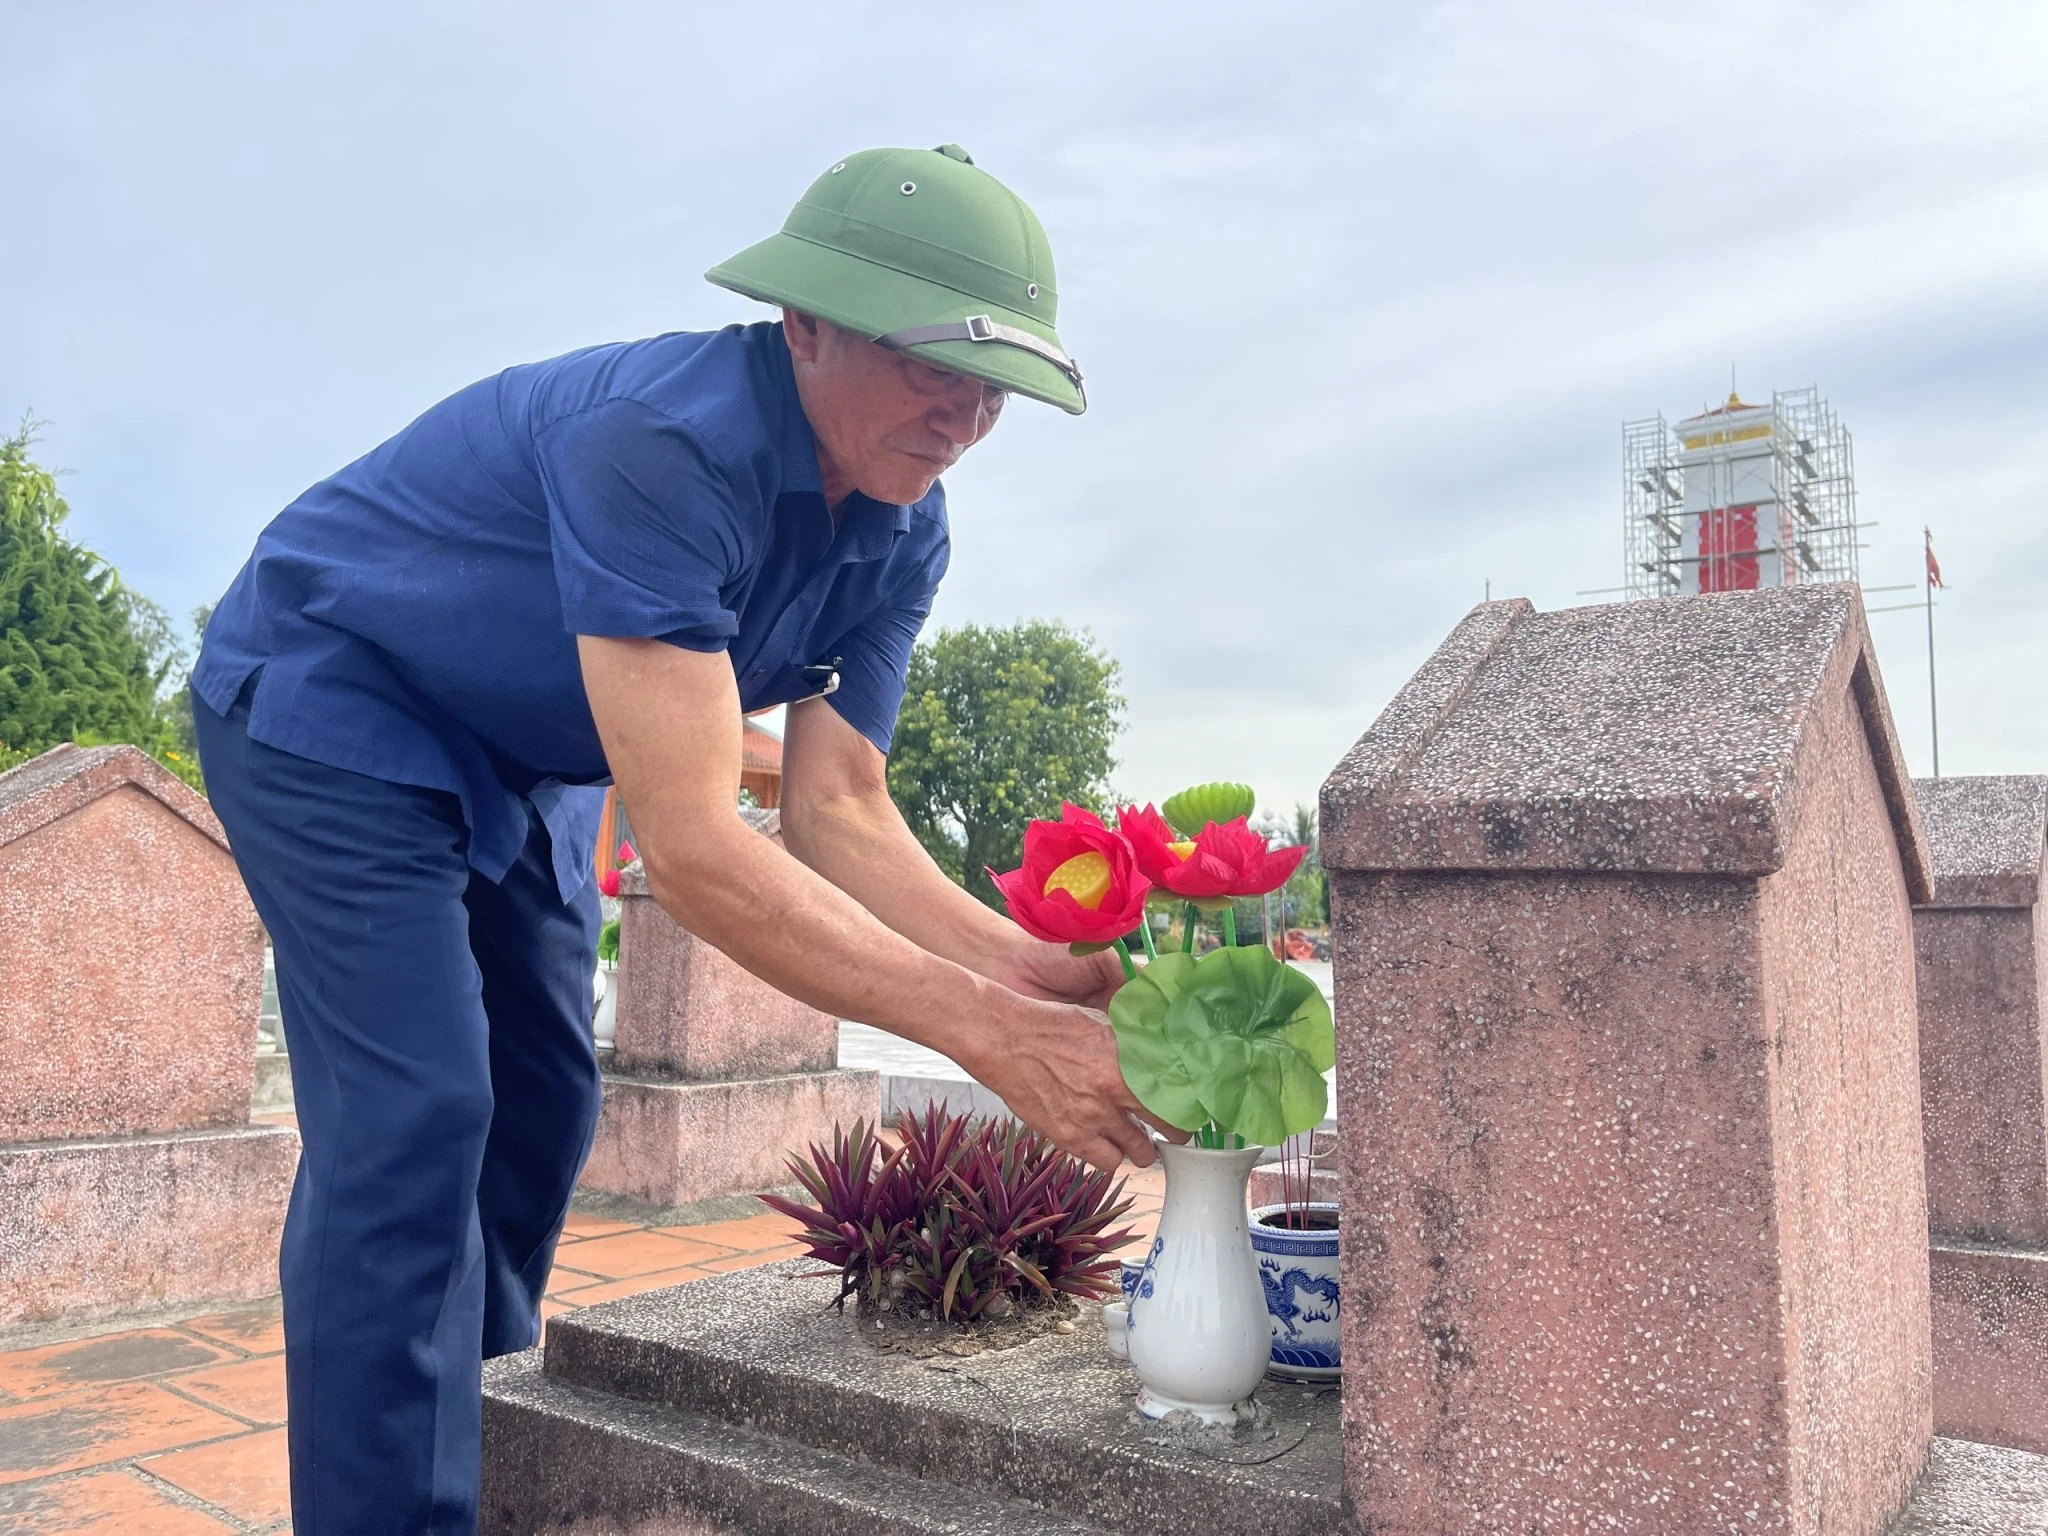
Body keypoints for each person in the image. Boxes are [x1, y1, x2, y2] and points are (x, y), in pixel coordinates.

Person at [190, 144, 1165, 1536]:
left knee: (540, 1105)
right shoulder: (662, 440)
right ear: (805, 323)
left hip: (524, 753)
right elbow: (700, 844)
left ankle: (476, 1452)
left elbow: (838, 807)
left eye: (995, 382)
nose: (963, 413)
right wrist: (981, 1034)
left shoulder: (904, 528)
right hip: (330, 701)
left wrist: (1026, 974)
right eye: (925, 362)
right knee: (415, 1113)